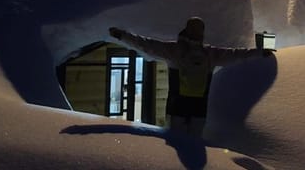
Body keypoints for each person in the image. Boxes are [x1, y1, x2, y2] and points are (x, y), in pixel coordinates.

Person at [109, 17, 272, 137]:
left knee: (176, 145)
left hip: (176, 108)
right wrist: (260, 52)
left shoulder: (174, 50)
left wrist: (122, 36)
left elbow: (145, 44)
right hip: (199, 109)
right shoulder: (210, 53)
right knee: (194, 146)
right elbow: (237, 55)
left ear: (186, 30)